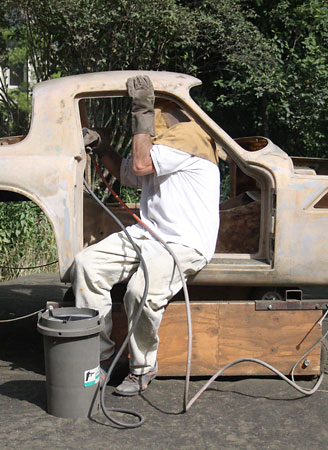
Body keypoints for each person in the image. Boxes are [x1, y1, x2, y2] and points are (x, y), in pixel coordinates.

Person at [72, 75, 220, 396]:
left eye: (151, 117)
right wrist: (101, 146)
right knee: (87, 265)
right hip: (150, 235)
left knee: (140, 291)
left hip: (184, 242)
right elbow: (126, 171)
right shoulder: (165, 150)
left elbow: (138, 164)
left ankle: (142, 367)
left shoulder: (190, 140)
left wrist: (141, 111)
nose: (148, 127)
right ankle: (102, 357)